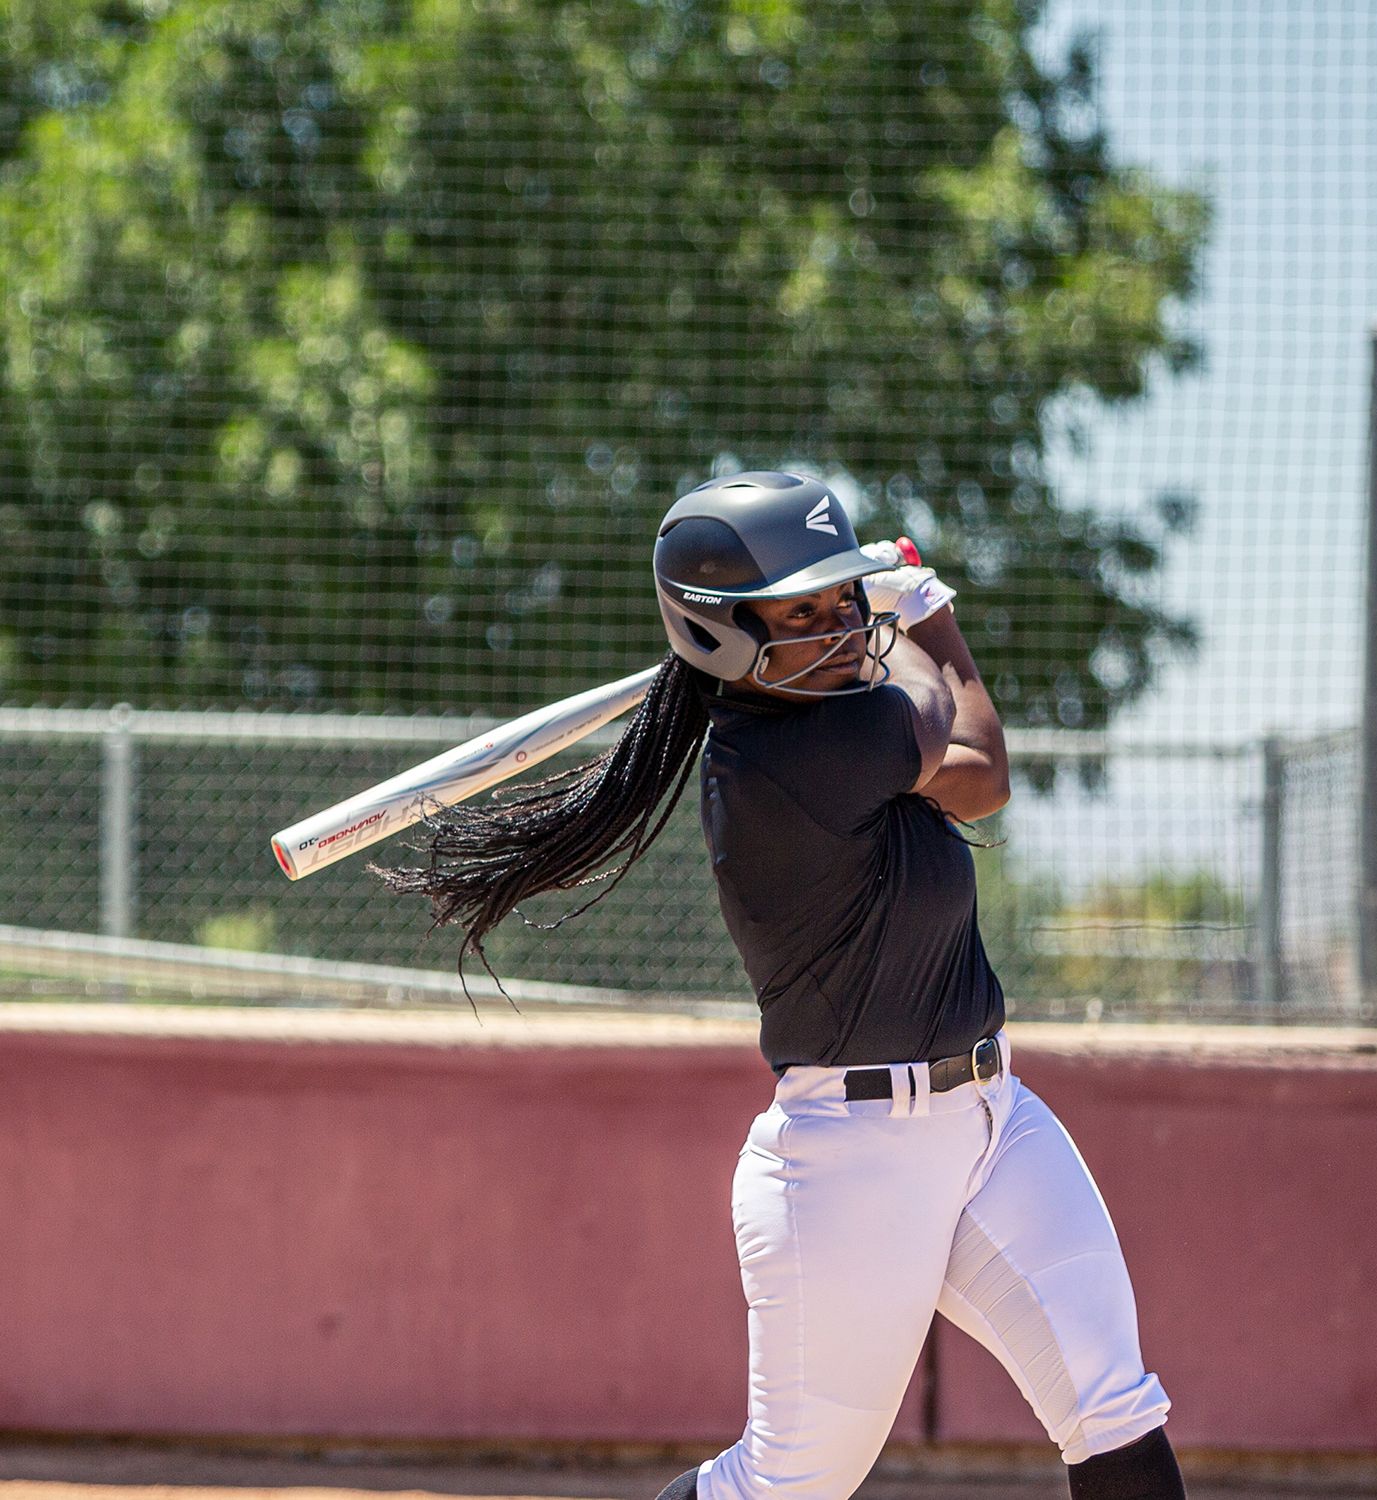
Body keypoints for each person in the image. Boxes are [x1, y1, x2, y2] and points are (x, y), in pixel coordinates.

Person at [380, 472, 1184, 1500]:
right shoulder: (788, 754)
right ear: (723, 635)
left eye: (840, 595)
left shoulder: (833, 712)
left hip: (996, 1119)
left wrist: (874, 609)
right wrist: (926, 611)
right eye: (800, 610)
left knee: (1116, 1409)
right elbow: (981, 760)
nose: (839, 623)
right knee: (787, 1485)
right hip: (849, 1167)